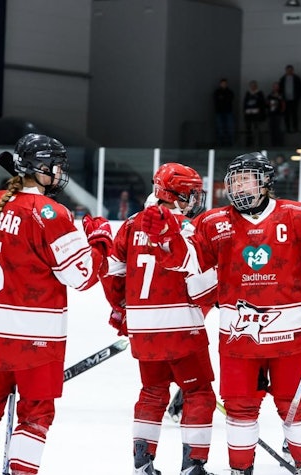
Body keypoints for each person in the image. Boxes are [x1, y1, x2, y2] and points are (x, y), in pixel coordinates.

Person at [139, 152, 301, 475]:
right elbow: (187, 261)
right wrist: (165, 237)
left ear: (265, 182)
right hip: (239, 339)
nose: (239, 185)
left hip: (293, 336)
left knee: (297, 405)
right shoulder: (213, 223)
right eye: (234, 179)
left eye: (247, 178)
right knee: (240, 409)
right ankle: (240, 470)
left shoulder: (297, 215)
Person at [0, 134, 112, 475]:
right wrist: (100, 240)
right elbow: (82, 275)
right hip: (35, 339)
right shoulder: (50, 213)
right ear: (40, 169)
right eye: (55, 167)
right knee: (35, 413)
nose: (59, 173)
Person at [100, 162, 217, 475]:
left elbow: (112, 274)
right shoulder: (189, 229)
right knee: (199, 393)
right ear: (175, 193)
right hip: (182, 327)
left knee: (152, 392)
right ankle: (194, 466)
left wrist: (123, 310)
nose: (195, 199)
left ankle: (142, 463)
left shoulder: (130, 225)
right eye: (191, 193)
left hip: (143, 329)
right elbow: (201, 283)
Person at [279, 65, 301, 133]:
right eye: (288, 70)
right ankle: (288, 129)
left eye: (291, 70)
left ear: (293, 70)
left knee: (294, 114)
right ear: (286, 70)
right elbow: (280, 89)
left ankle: (295, 128)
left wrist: (298, 97)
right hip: (285, 100)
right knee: (286, 115)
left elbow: (300, 89)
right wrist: (281, 98)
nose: (289, 71)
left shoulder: (297, 78)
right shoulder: (283, 79)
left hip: (294, 100)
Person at [214, 78, 235, 147]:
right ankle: (220, 144)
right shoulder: (217, 92)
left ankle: (230, 143)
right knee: (220, 128)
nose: (224, 85)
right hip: (219, 112)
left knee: (229, 128)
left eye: (225, 84)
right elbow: (216, 101)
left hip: (228, 112)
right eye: (222, 84)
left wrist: (223, 99)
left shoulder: (229, 92)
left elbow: (230, 100)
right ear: (220, 84)